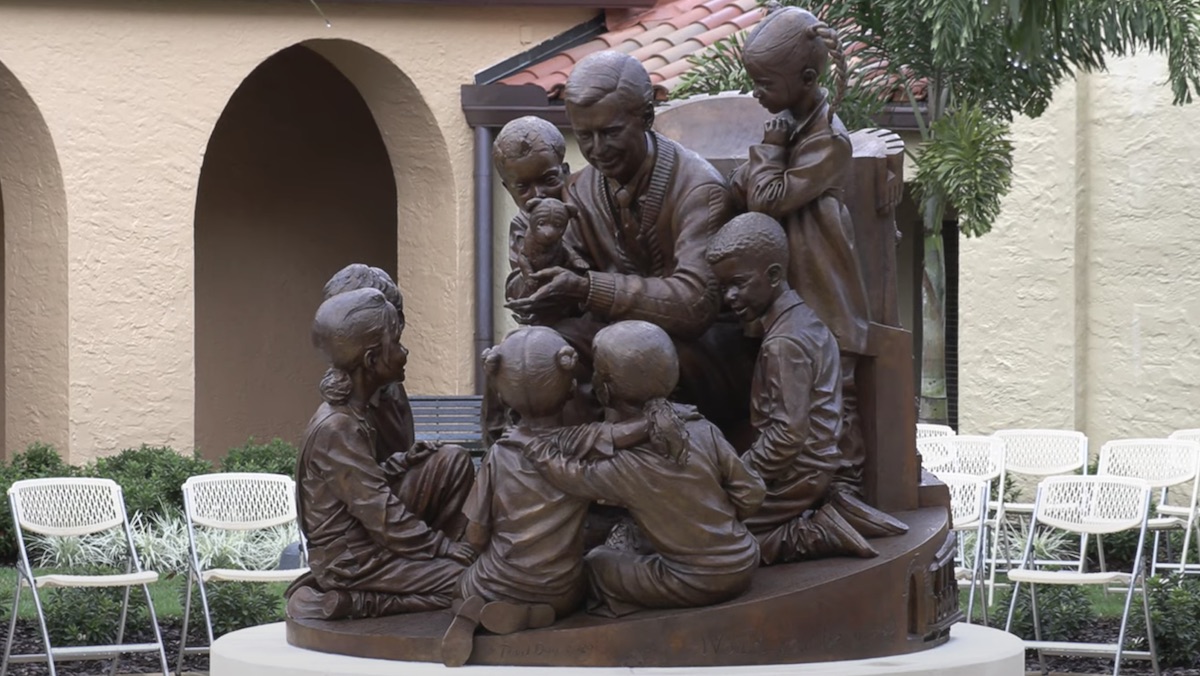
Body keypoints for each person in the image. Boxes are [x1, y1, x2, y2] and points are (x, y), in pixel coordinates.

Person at [506, 50, 755, 443]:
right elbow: (542, 300)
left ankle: (628, 477)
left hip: (705, 355)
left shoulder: (698, 189)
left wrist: (588, 288)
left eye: (610, 132)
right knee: (536, 351)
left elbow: (695, 303)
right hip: (616, 340)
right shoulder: (580, 191)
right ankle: (559, 475)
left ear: (646, 118)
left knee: (622, 352)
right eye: (584, 136)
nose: (596, 148)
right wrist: (542, 250)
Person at [521, 320, 765, 618]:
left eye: (597, 370)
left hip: (697, 580)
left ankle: (624, 618)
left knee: (598, 563)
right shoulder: (702, 427)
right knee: (635, 534)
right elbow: (751, 493)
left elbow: (574, 478)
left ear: (605, 388)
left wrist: (537, 449)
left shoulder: (626, 464)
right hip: (746, 558)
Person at [706, 213, 905, 565]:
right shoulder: (806, 322)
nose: (730, 297)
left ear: (773, 275)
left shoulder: (783, 344)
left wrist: (737, 475)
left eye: (738, 283)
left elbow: (786, 436)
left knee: (707, 537)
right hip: (809, 469)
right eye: (724, 288)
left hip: (796, 476)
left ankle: (815, 533)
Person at [730, 6, 871, 482]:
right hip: (788, 291)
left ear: (807, 78)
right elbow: (741, 183)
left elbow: (767, 198)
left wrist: (769, 151)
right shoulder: (794, 127)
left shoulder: (828, 139)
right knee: (783, 390)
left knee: (838, 393)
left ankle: (846, 487)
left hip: (823, 288)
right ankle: (792, 486)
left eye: (766, 84)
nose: (757, 94)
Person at [286, 288, 475, 622]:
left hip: (368, 542)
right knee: (475, 582)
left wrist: (404, 461)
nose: (405, 353)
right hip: (354, 562)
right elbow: (380, 513)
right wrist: (443, 548)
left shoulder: (355, 414)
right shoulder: (337, 428)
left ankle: (424, 563)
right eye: (398, 344)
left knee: (452, 460)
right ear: (372, 360)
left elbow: (360, 487)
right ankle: (357, 602)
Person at [321, 263, 474, 540]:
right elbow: (366, 494)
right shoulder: (342, 411)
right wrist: (436, 546)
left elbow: (383, 466)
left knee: (453, 461)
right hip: (365, 525)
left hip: (384, 503)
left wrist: (405, 460)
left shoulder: (386, 391)